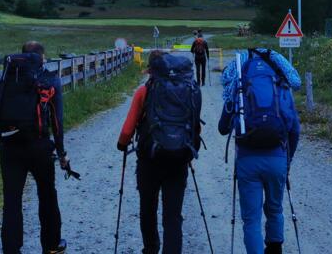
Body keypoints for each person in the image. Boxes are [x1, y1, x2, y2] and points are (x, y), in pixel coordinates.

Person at [117, 51, 202, 254]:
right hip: (179, 159)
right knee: (173, 215)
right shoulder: (189, 89)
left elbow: (128, 130)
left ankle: (151, 249)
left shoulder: (143, 91)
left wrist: (122, 144)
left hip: (149, 160)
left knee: (148, 208)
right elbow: (194, 125)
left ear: (151, 70)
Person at [219, 48, 301, 254]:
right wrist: (287, 162)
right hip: (277, 159)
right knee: (275, 210)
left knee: (251, 219)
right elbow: (294, 129)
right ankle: (274, 249)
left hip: (248, 159)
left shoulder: (238, 86)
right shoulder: (282, 85)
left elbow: (222, 128)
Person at [0, 41, 70, 254]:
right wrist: (61, 153)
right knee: (47, 194)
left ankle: (11, 249)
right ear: (41, 58)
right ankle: (52, 246)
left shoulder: (8, 78)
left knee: (12, 199)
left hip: (9, 145)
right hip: (40, 145)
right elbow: (57, 121)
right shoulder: (50, 79)